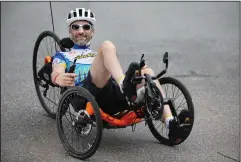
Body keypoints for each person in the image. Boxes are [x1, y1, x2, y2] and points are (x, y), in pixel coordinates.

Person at [51, 8, 191, 141]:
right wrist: (59, 78)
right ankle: (126, 86)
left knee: (147, 72)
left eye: (86, 27)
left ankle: (171, 123)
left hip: (112, 94)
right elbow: (56, 72)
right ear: (70, 31)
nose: (81, 31)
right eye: (76, 27)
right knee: (107, 46)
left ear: (92, 32)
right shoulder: (64, 55)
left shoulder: (96, 54)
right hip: (85, 94)